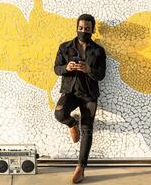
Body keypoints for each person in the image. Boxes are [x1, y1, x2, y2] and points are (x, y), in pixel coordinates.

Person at [53, 13, 106, 183]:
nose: (83, 31)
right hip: (70, 92)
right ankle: (72, 123)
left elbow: (101, 75)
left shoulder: (98, 50)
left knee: (87, 129)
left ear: (93, 30)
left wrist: (88, 69)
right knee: (60, 114)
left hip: (89, 95)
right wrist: (66, 67)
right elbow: (56, 68)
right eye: (81, 28)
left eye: (87, 29)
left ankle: (80, 168)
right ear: (76, 27)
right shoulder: (65, 47)